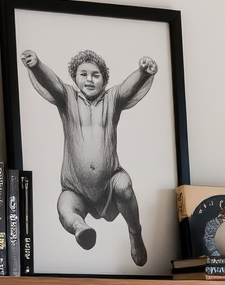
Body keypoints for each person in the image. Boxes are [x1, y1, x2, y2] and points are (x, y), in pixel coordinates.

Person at [20, 46, 157, 265]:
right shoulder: (67, 98)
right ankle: (81, 228)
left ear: (104, 79)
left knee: (124, 184)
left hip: (109, 183)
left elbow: (127, 89)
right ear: (74, 77)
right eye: (83, 74)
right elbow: (51, 82)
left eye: (96, 75)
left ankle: (134, 232)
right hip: (76, 188)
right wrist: (36, 65)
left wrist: (143, 71)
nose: (90, 80)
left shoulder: (112, 99)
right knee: (64, 206)